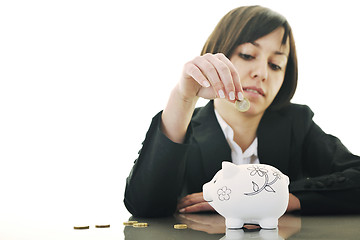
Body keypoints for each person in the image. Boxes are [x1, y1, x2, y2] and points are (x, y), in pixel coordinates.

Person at [124, 5, 360, 217]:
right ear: (219, 54)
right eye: (247, 55)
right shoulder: (186, 127)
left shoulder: (297, 123)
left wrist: (277, 198)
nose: (262, 73)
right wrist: (183, 97)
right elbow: (145, 206)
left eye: (276, 64)